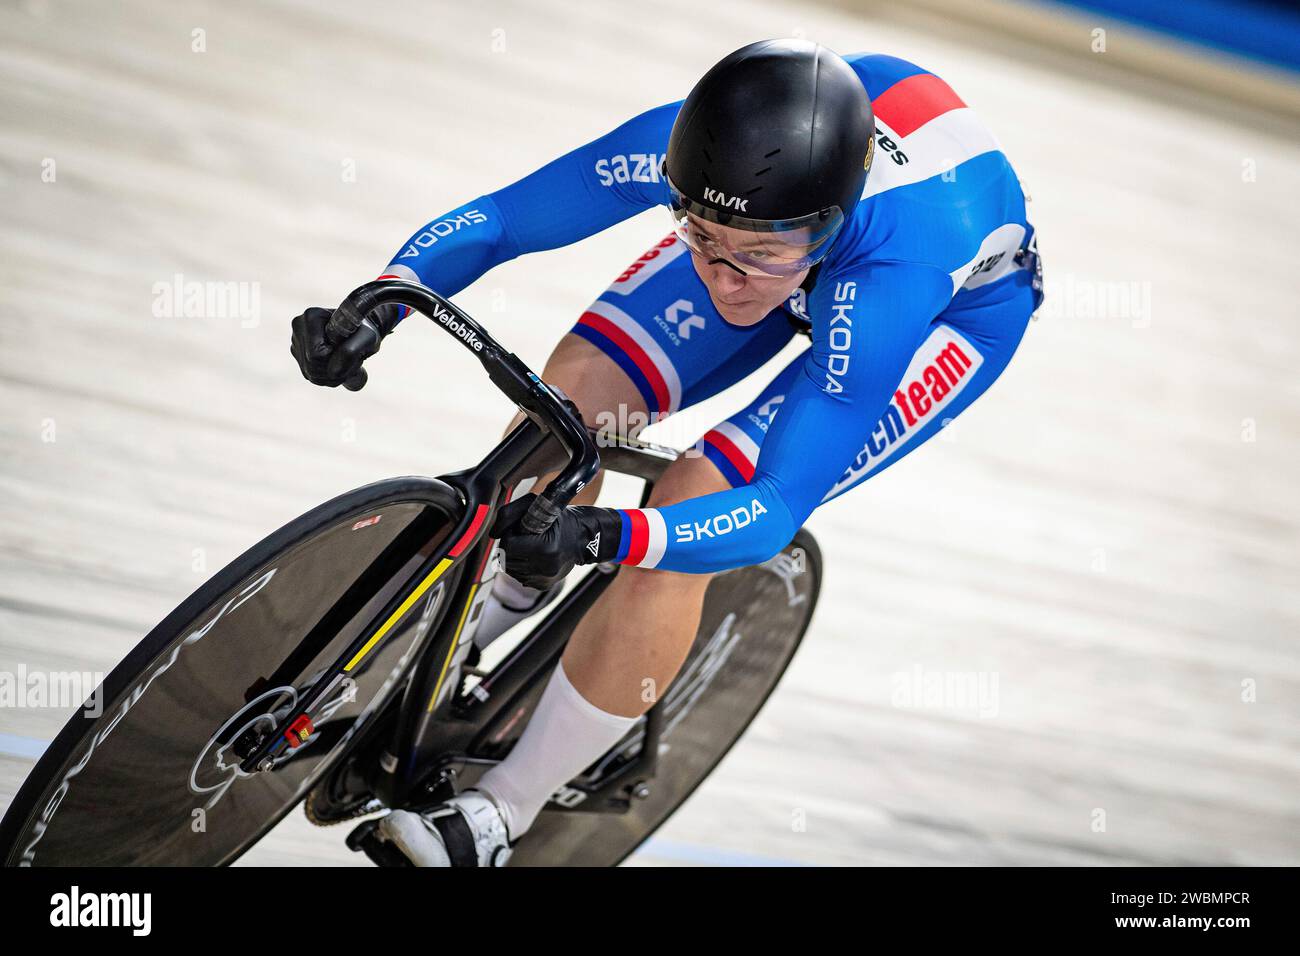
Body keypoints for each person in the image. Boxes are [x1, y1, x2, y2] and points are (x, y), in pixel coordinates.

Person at [291, 38, 1043, 866]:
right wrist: (381, 300)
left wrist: (607, 538)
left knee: (690, 505)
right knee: (568, 410)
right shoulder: (693, 158)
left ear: (827, 221)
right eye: (700, 236)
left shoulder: (898, 264)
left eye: (757, 256)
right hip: (801, 232)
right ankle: (491, 605)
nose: (726, 280)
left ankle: (503, 812)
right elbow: (505, 219)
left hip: (943, 314)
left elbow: (774, 512)